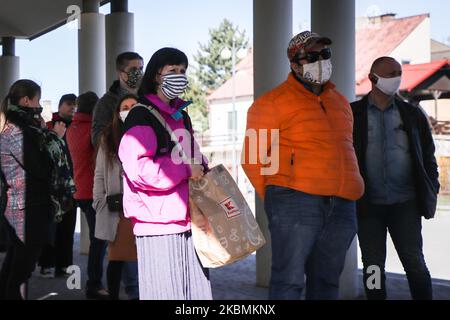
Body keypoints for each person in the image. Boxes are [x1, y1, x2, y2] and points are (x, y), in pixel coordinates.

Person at [241, 31, 365, 300]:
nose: (320, 60)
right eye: (311, 56)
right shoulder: (269, 103)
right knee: (289, 281)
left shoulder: (340, 102)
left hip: (343, 203)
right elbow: (252, 159)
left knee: (328, 281)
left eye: (325, 55)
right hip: (294, 201)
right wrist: (280, 197)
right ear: (295, 64)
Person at [118, 47, 212, 300]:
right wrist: (184, 170)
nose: (179, 76)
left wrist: (204, 167)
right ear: (157, 75)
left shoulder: (182, 115)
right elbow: (138, 169)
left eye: (183, 71)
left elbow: (192, 155)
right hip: (158, 225)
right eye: (172, 70)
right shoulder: (140, 115)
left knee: (195, 296)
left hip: (189, 219)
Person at [351, 57, 439, 300]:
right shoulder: (352, 114)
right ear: (372, 78)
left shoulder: (412, 114)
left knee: (415, 263)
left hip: (405, 205)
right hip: (367, 206)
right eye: (391, 73)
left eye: (399, 72)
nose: (397, 78)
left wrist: (432, 186)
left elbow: (428, 157)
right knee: (372, 267)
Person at [0, 80, 70, 299]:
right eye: (38, 100)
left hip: (23, 205)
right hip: (27, 208)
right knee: (20, 271)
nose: (39, 106)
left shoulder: (21, 127)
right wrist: (55, 139)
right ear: (26, 100)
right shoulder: (16, 130)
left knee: (14, 267)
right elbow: (39, 168)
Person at [93, 94, 140, 300]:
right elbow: (99, 173)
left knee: (143, 258)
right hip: (117, 208)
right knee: (117, 258)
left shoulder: (148, 132)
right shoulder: (108, 137)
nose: (129, 109)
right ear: (118, 112)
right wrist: (99, 201)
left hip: (142, 207)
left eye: (134, 106)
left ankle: (139, 294)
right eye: (125, 106)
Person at [65, 91, 110, 300]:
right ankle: (94, 284)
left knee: (97, 238)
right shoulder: (90, 129)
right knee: (99, 239)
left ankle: (96, 281)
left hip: (80, 191)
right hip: (93, 190)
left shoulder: (71, 128)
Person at [38, 94, 77, 278]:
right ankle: (46, 264)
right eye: (69, 104)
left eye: (75, 105)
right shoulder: (49, 126)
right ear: (60, 105)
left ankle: (64, 265)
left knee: (67, 229)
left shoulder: (76, 127)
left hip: (69, 186)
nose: (72, 108)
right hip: (53, 187)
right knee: (51, 229)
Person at [92, 52, 144, 146]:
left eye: (141, 69)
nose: (139, 73)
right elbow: (97, 138)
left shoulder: (148, 97)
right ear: (121, 74)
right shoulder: (106, 103)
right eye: (133, 69)